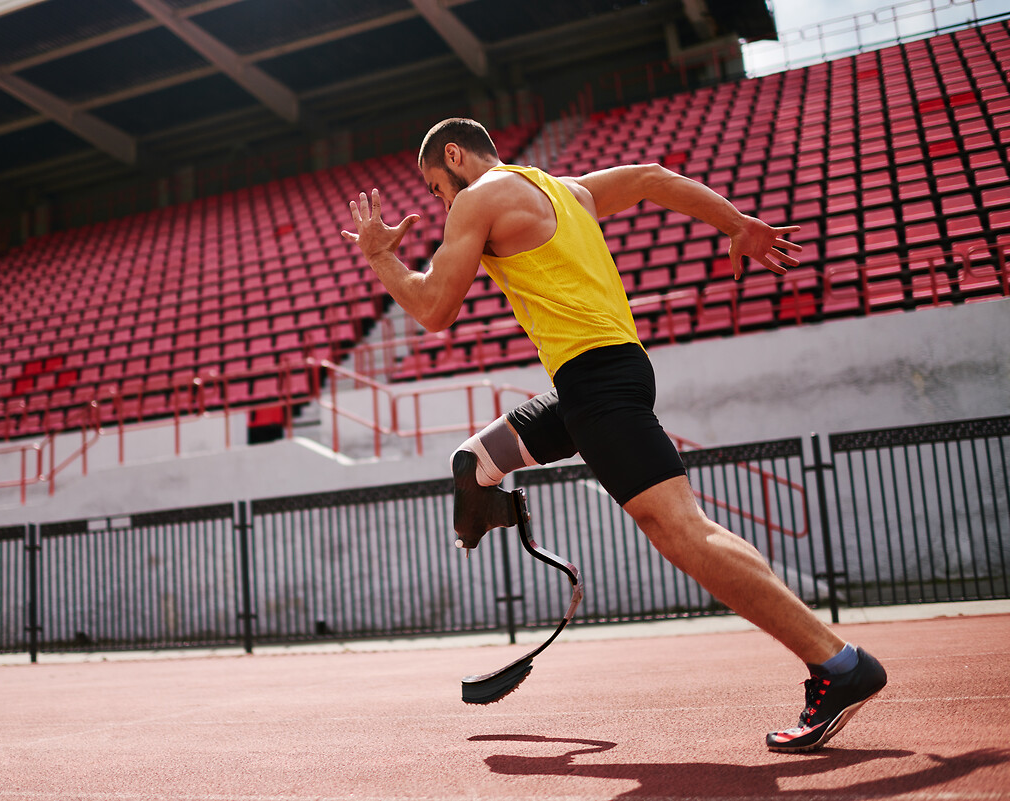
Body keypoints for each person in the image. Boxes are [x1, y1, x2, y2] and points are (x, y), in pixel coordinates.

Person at [341, 117, 886, 752]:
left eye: (436, 186)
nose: (440, 202)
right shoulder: (567, 190)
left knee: (683, 531)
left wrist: (380, 253)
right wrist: (736, 223)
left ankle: (840, 666)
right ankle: (486, 507)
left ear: (455, 156)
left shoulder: (478, 199)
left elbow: (434, 310)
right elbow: (654, 179)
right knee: (474, 461)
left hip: (597, 384)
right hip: (593, 383)